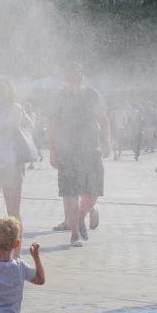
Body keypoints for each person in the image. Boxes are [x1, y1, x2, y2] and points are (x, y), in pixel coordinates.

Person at [48, 66, 110, 247]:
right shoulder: (59, 97)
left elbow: (103, 118)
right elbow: (51, 125)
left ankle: (81, 217)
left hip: (91, 149)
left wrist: (107, 140)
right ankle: (74, 233)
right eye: (72, 77)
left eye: (79, 77)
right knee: (70, 192)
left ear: (83, 78)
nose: (76, 81)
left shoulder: (91, 94)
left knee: (93, 191)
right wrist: (52, 151)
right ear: (66, 79)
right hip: (67, 150)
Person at [0, 79, 33, 229]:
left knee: (13, 211)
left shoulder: (15, 109)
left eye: (2, 93)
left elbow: (8, 125)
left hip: (12, 164)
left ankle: (15, 250)